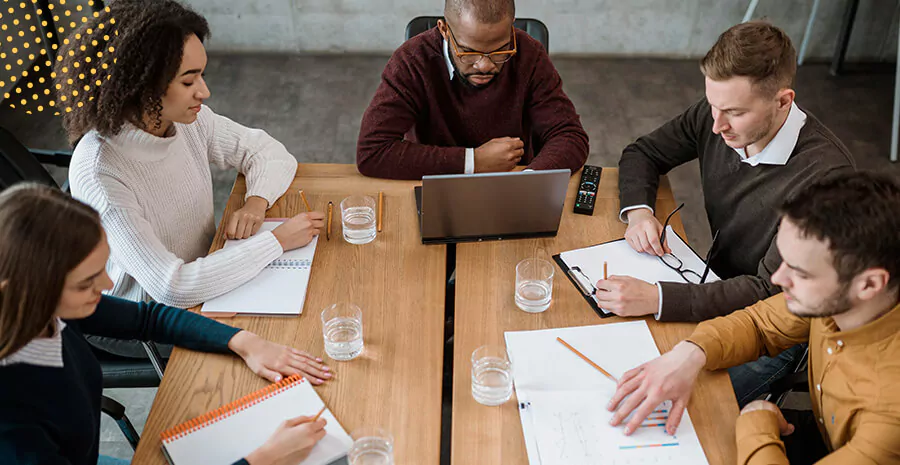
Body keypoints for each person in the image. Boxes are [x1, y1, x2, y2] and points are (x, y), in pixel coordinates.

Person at [605, 21, 855, 406]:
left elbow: (768, 291)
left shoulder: (826, 181)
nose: (717, 125)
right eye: (713, 105)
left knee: (672, 407)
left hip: (773, 327)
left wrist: (657, 298)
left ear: (783, 101)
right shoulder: (718, 114)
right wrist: (639, 213)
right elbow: (643, 152)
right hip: (712, 287)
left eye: (734, 113)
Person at [60, 0, 323, 357]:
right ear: (142, 85)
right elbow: (171, 287)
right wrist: (275, 242)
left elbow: (268, 151)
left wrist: (256, 202)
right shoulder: (101, 171)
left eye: (202, 74)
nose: (204, 91)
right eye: (188, 80)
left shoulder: (184, 121)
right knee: (295, 341)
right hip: (148, 319)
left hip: (209, 271)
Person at [0, 184, 334, 465]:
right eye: (86, 282)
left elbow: (149, 318)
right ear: (23, 288)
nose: (105, 285)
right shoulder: (12, 422)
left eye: (103, 267)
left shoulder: (43, 310)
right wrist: (263, 459)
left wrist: (245, 341)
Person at [607, 171, 900, 464]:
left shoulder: (890, 411)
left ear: (869, 285)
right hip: (826, 431)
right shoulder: (844, 301)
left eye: (800, 272)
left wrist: (756, 420)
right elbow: (759, 323)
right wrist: (689, 353)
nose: (778, 277)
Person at [355, 0, 589, 179]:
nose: (485, 65)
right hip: (433, 184)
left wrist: (527, 182)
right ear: (444, 30)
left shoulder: (529, 54)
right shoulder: (411, 60)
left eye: (500, 51)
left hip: (511, 182)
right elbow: (372, 152)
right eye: (469, 52)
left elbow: (570, 136)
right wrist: (473, 162)